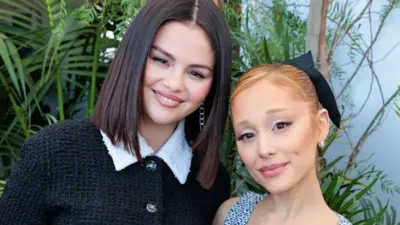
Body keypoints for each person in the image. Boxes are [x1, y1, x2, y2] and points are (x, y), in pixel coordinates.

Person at [0, 0, 232, 224]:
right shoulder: (52, 152)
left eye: (196, 74)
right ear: (133, 55)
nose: (174, 84)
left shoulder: (211, 184)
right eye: (161, 60)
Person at [212, 52, 352, 225]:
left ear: (321, 126)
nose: (264, 149)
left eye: (281, 125)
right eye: (247, 135)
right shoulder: (229, 215)